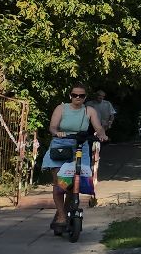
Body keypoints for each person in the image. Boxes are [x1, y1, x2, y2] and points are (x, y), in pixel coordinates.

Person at [46, 85, 107, 234]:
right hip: (60, 147)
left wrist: (102, 134)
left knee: (74, 184)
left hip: (80, 146)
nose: (77, 98)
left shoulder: (89, 111)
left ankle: (63, 212)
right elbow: (52, 126)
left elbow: (98, 127)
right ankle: (61, 215)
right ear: (70, 96)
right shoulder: (61, 109)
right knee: (60, 184)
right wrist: (57, 133)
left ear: (85, 97)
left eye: (81, 96)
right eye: (74, 95)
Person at [89, 90, 116, 182]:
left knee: (101, 142)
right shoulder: (89, 104)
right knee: (90, 142)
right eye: (99, 96)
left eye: (102, 97)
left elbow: (112, 115)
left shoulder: (107, 104)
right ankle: (90, 158)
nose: (100, 98)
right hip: (91, 126)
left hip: (103, 126)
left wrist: (110, 122)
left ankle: (97, 155)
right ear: (95, 96)